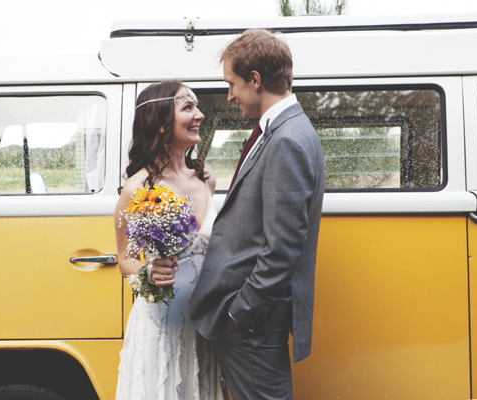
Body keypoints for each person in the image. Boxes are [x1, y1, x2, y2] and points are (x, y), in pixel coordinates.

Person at [189, 29, 325, 400]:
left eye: (232, 84)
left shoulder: (287, 140)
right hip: (254, 320)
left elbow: (282, 248)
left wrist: (240, 313)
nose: (229, 94)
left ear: (255, 80)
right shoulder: (280, 131)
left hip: (252, 324)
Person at [114, 80, 225, 400]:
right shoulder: (137, 189)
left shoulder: (207, 179)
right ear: (160, 123)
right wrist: (147, 274)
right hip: (160, 325)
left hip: (202, 326)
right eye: (188, 107)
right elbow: (125, 258)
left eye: (197, 106)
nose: (200, 114)